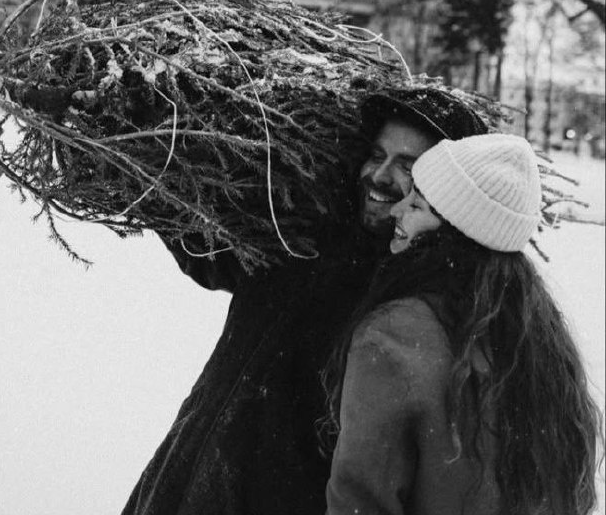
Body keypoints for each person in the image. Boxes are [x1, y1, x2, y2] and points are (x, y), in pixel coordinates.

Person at [120, 85, 491, 515]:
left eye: (408, 166)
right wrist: (143, 158)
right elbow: (213, 258)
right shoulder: (304, 232)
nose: (380, 175)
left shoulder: (417, 315)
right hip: (184, 483)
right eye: (377, 155)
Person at [323, 133, 602, 515]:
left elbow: (360, 502)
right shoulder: (536, 340)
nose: (397, 210)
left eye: (416, 205)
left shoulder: (392, 338)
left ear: (453, 235)